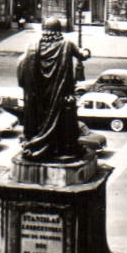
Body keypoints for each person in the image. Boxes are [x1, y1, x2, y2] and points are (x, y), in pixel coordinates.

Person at [17, 18, 91, 162]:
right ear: (59, 30)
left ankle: (40, 145)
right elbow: (83, 55)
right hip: (60, 94)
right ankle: (62, 148)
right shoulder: (67, 44)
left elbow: (22, 65)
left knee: (42, 120)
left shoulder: (33, 46)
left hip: (40, 96)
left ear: (44, 29)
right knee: (63, 121)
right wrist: (87, 51)